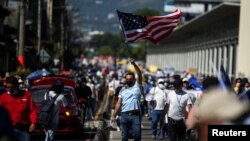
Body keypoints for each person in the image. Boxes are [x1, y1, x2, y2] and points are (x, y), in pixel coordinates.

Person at [111, 58, 142, 141]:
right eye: (127, 79)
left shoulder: (137, 86)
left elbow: (139, 74)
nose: (128, 81)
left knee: (137, 136)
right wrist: (114, 115)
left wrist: (134, 64)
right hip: (124, 115)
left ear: (134, 80)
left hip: (135, 115)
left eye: (130, 79)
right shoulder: (122, 90)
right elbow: (118, 103)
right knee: (124, 137)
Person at [0, 76, 37, 141]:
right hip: (9, 129)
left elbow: (32, 110)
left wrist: (33, 123)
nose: (9, 90)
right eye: (7, 87)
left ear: (17, 86)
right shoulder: (3, 97)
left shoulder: (26, 95)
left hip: (23, 129)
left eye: (11, 87)